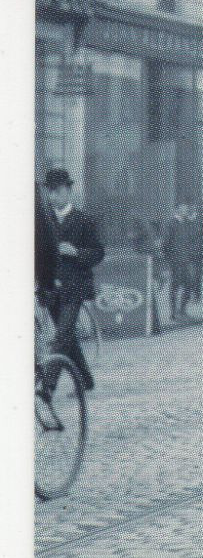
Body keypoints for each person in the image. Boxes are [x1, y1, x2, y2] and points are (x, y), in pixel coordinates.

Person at [38, 169, 104, 394]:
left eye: (57, 191)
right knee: (67, 336)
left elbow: (98, 252)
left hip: (76, 286)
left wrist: (76, 252)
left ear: (69, 191)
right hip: (51, 287)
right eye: (50, 192)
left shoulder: (84, 220)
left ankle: (47, 387)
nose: (53, 196)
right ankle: (85, 380)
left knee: (62, 335)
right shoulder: (43, 221)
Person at [162, 200, 203, 321]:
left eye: (186, 207)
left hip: (188, 259)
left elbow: (194, 238)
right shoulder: (171, 223)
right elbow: (166, 243)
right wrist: (170, 258)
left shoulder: (187, 223)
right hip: (176, 260)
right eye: (183, 208)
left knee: (189, 284)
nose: (186, 210)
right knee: (175, 286)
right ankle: (173, 313)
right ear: (176, 209)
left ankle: (182, 310)